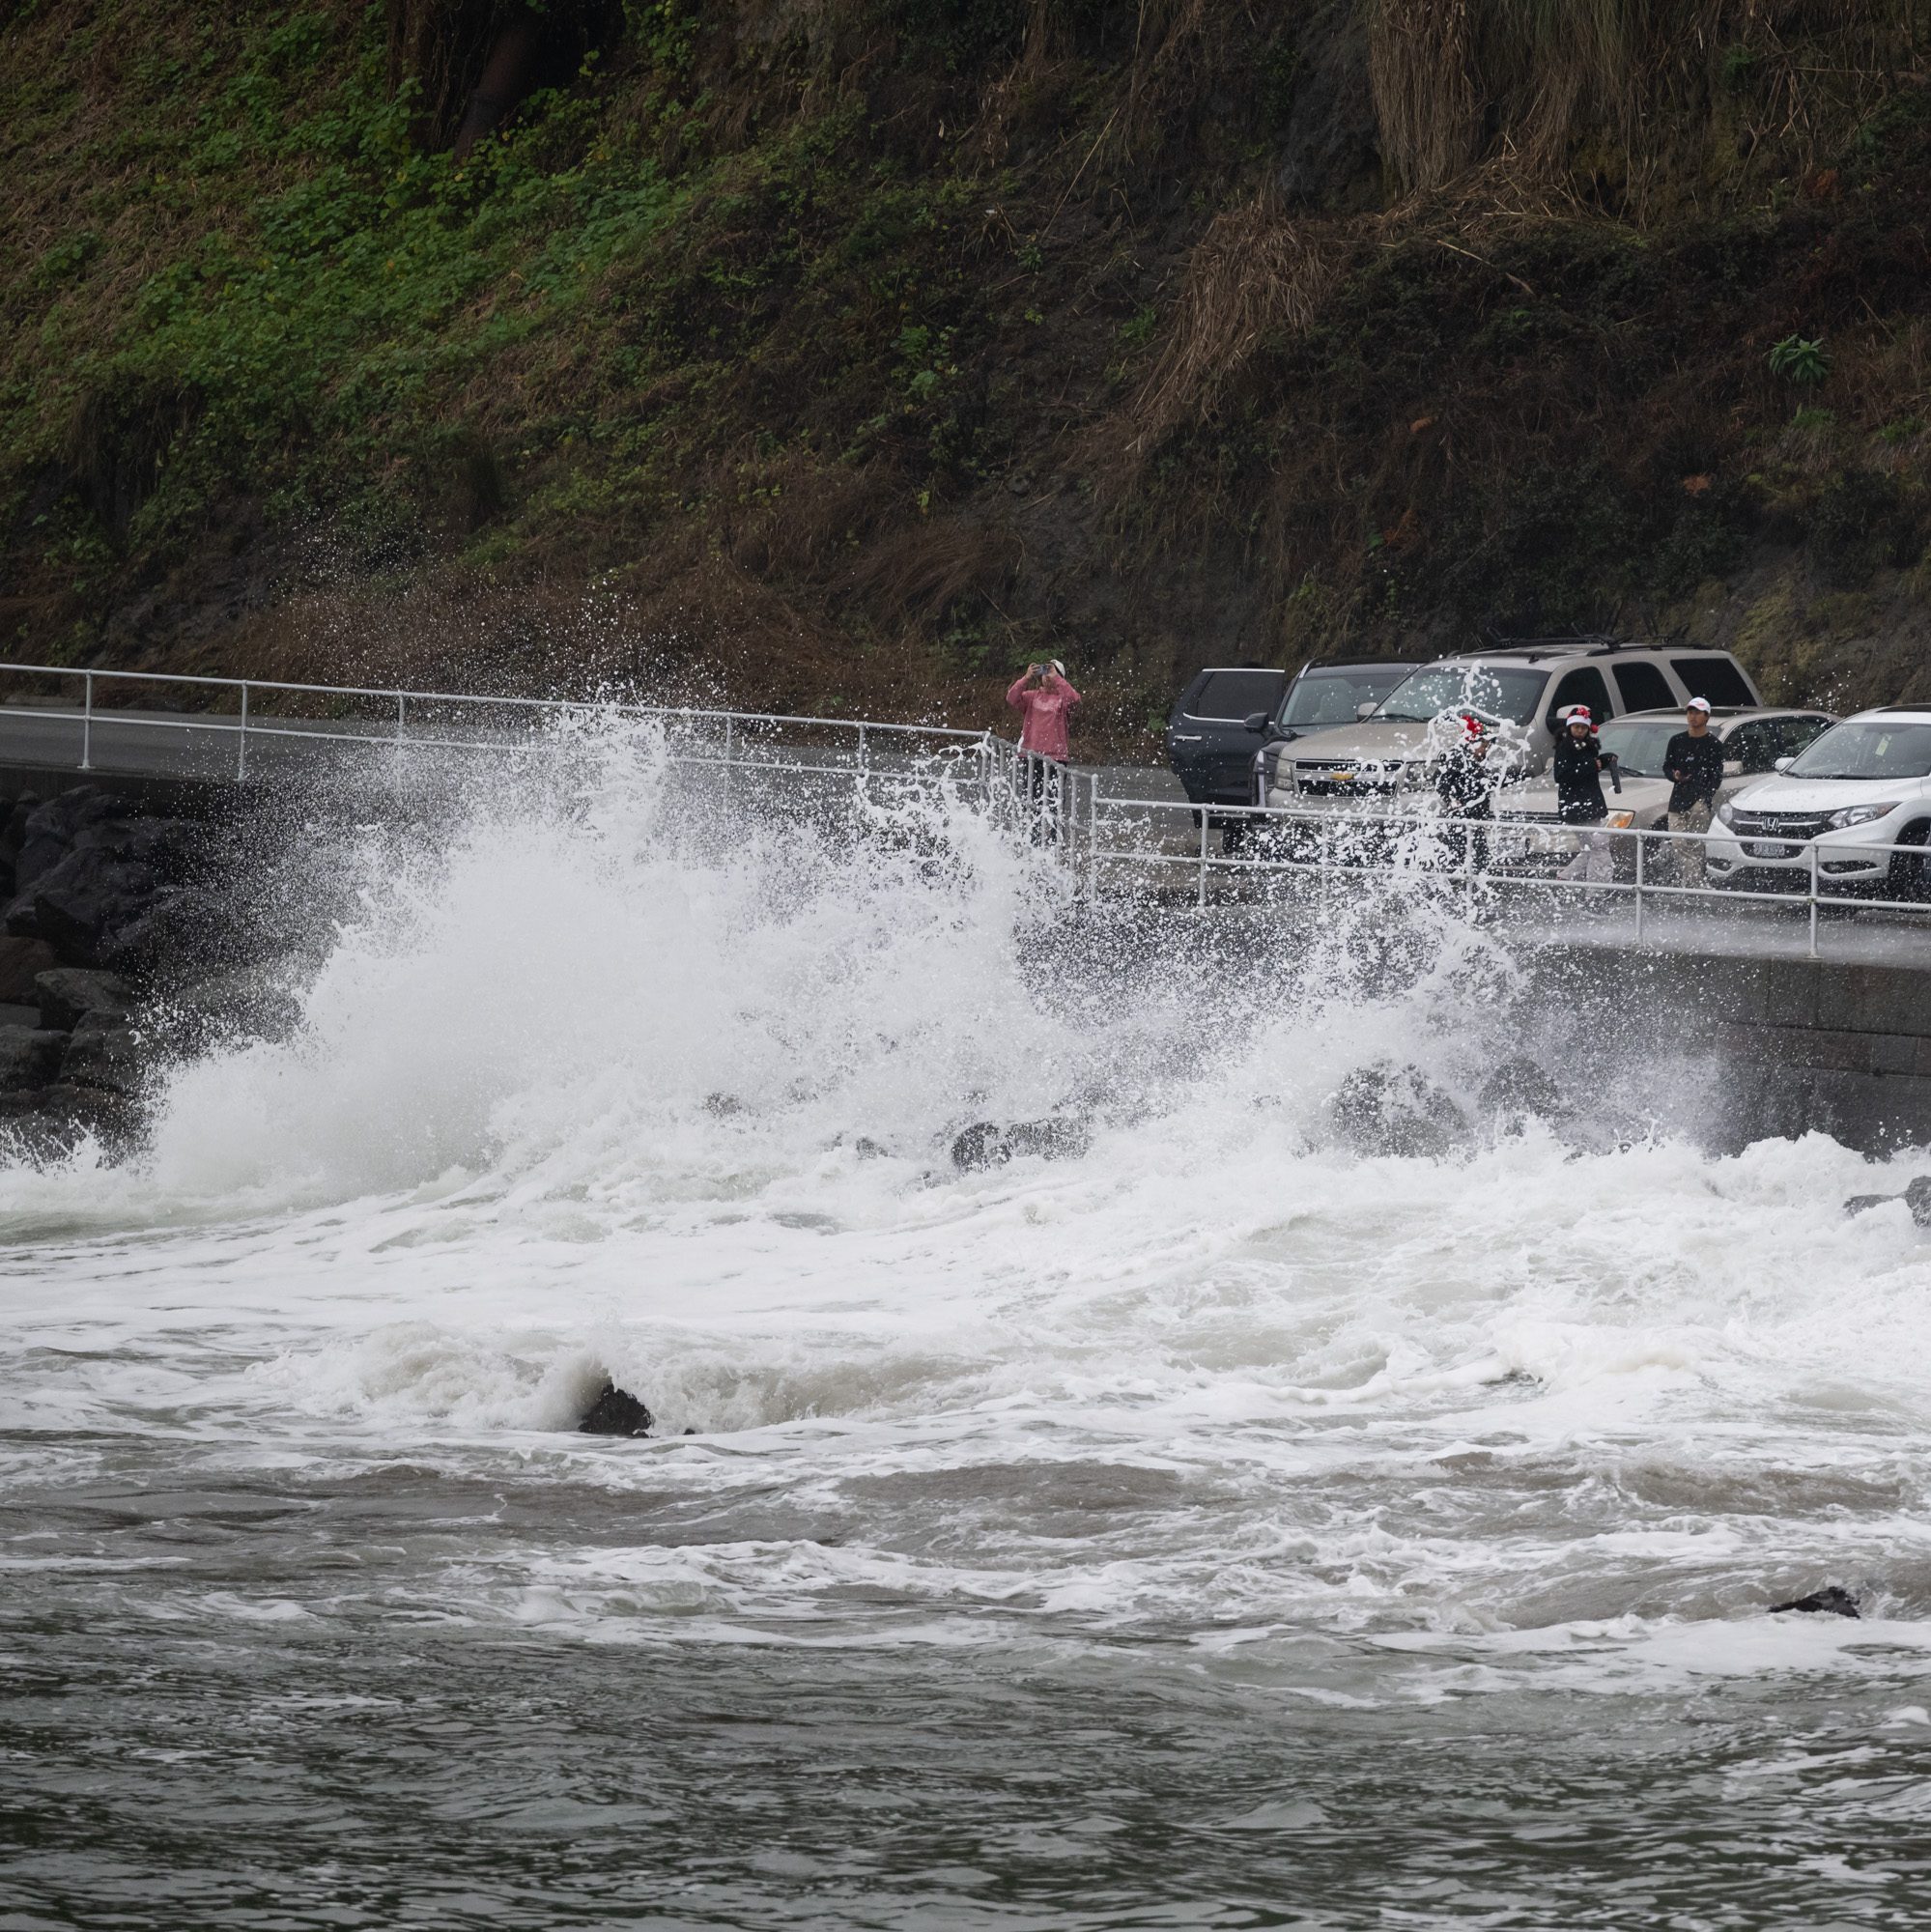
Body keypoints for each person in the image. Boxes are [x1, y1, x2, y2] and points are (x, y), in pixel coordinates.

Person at [1006, 660, 1081, 841]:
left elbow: (1075, 700)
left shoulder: (1063, 700)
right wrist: (1026, 677)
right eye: (1045, 672)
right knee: (1032, 799)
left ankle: (1056, 838)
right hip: (1032, 756)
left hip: (1056, 757)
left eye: (1051, 672)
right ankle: (1034, 837)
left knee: (1055, 801)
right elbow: (1012, 698)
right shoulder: (1032, 697)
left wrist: (1057, 678)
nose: (1047, 676)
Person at [1661, 696, 1724, 889]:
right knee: (1678, 842)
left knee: (1697, 845)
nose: (1692, 717)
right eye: (1690, 712)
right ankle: (1696, 881)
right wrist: (1675, 775)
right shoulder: (1677, 741)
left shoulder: (1714, 745)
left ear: (1706, 716)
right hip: (1678, 800)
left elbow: (1716, 776)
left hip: (1699, 802)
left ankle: (1690, 883)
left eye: (1697, 713)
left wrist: (1704, 798)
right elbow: (1667, 766)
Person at [1554, 705, 1616, 888]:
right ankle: (1596, 894)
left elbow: (1587, 770)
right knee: (1600, 849)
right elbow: (1562, 775)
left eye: (1583, 727)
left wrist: (1603, 760)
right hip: (1579, 808)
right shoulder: (1565, 748)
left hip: (1588, 806)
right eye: (1576, 727)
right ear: (1570, 727)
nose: (1580, 731)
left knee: (1592, 849)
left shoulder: (1588, 748)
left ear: (1588, 729)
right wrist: (1592, 765)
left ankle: (1564, 879)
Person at [1434, 712, 1494, 872]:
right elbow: (1440, 781)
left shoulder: (1478, 762)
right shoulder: (1457, 758)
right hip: (1461, 817)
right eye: (1484, 744)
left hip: (1475, 817)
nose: (1486, 748)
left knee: (1479, 857)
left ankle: (1474, 882)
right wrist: (1451, 800)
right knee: (1461, 855)